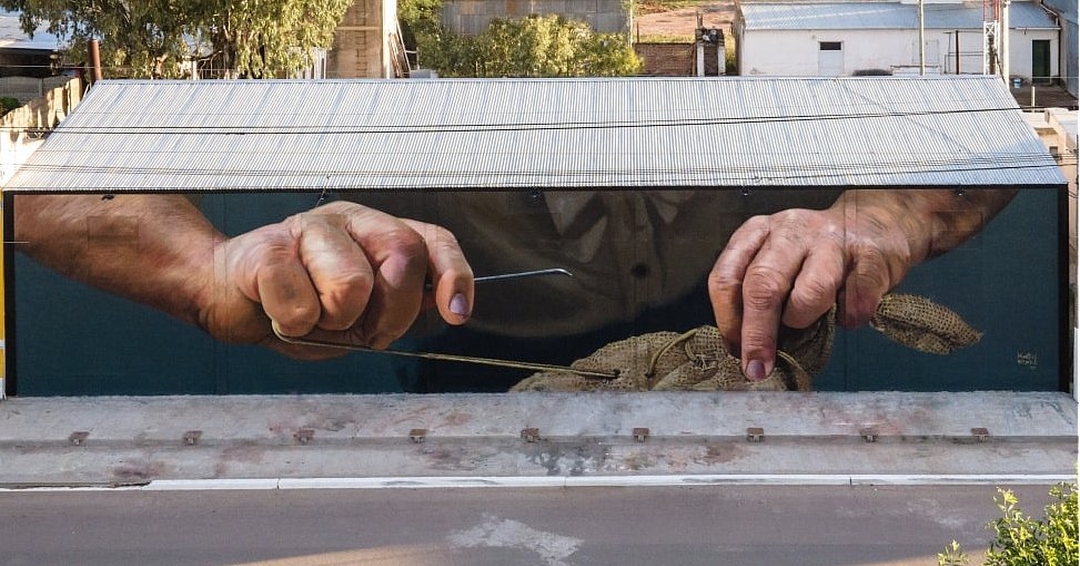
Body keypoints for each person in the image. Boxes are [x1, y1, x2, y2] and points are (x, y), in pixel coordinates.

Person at [12, 187, 1016, 385]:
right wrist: (207, 268)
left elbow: (989, 136)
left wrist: (884, 214)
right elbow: (37, 189)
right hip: (478, 363)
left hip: (744, 339)